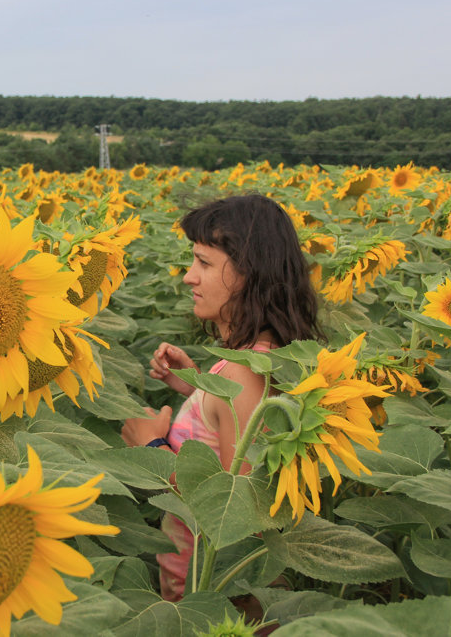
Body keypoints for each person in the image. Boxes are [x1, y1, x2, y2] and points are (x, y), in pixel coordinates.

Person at [121, 193, 322, 601]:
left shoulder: (245, 375)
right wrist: (199, 386)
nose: (188, 277)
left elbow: (237, 513)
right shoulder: (250, 365)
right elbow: (228, 444)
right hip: (203, 583)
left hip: (217, 593)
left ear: (250, 274)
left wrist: (153, 448)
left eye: (204, 263)